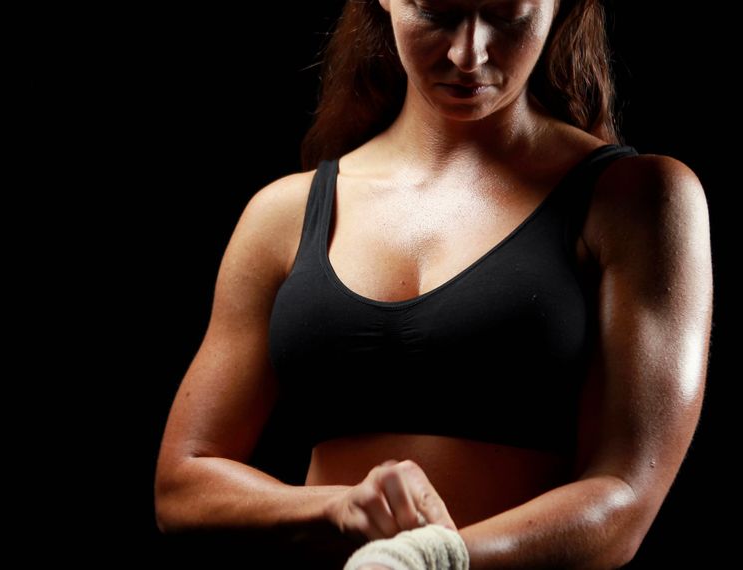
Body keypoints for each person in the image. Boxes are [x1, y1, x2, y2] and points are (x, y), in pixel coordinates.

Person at [155, 1, 713, 568]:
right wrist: (336, 510)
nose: (467, 54)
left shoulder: (637, 201)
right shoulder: (283, 214)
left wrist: (431, 558)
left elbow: (624, 496)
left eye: (509, 16)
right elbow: (182, 483)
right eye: (437, 12)